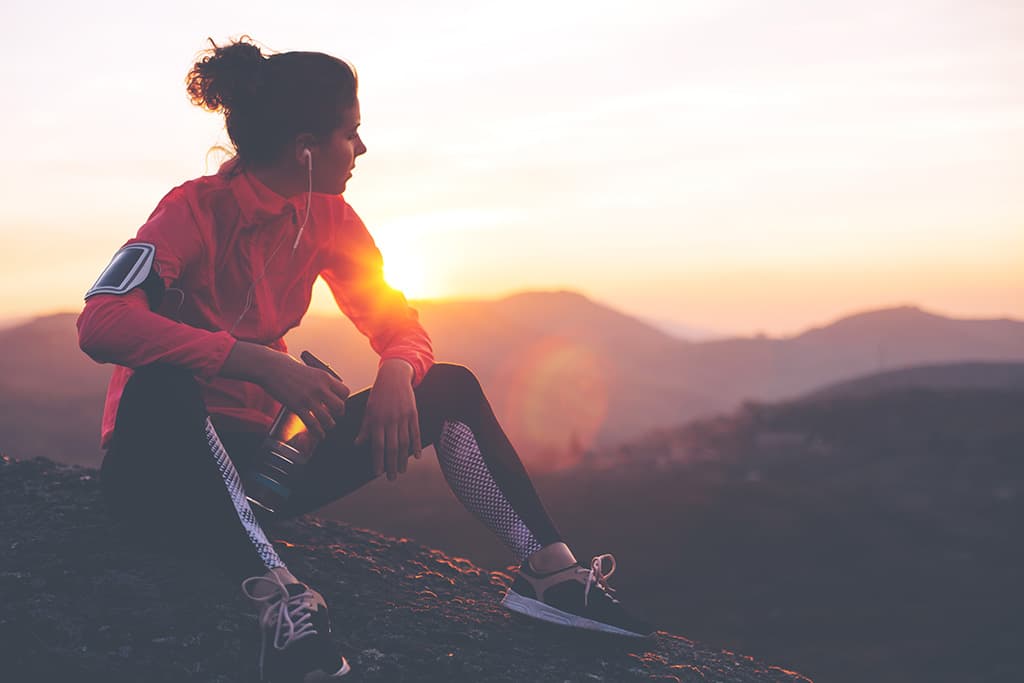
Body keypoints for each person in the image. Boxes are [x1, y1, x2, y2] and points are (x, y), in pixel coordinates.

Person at [77, 36, 653, 682]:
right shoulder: (190, 211)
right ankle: (279, 600)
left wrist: (398, 370)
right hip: (161, 475)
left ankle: (550, 574)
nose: (362, 148)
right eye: (350, 133)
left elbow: (396, 321)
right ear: (306, 148)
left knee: (451, 386)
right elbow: (102, 322)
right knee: (166, 382)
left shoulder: (328, 216)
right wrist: (252, 362)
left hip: (264, 471)